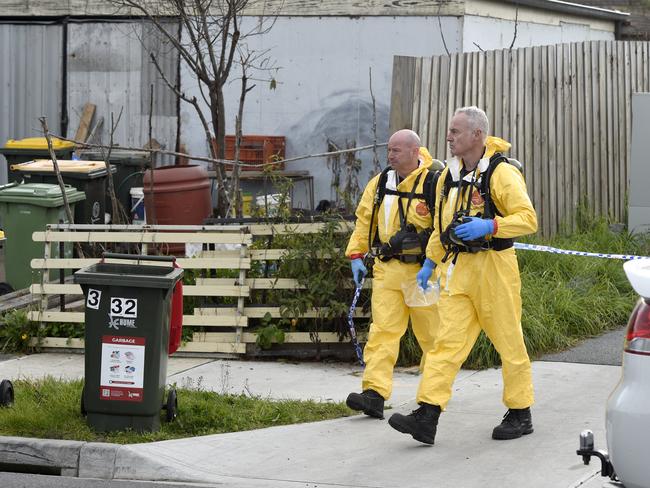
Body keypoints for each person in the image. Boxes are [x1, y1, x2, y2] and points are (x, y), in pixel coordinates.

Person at [388, 106, 538, 444]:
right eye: (450, 130)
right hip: (459, 271)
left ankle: (520, 411)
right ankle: (427, 414)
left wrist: (492, 225)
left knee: (509, 343)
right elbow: (443, 228)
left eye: (456, 131)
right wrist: (430, 262)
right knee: (445, 344)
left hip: (495, 268)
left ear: (477, 135)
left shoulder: (501, 173)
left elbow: (528, 218)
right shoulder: (447, 177)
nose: (448, 137)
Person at [344, 129, 441, 420]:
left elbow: (444, 224)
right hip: (388, 270)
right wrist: (356, 254)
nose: (390, 155)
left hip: (422, 272)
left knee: (432, 337)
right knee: (382, 332)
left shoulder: (434, 182)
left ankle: (432, 397)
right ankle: (374, 393)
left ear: (415, 151)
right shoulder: (381, 183)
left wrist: (433, 262)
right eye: (389, 150)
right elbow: (365, 220)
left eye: (397, 150)